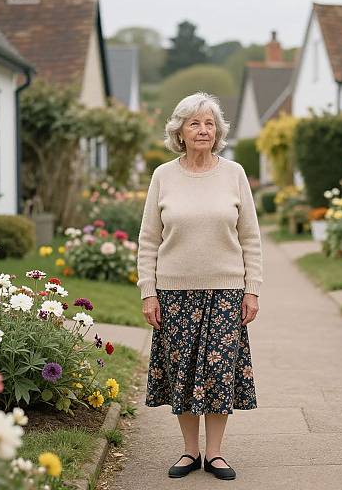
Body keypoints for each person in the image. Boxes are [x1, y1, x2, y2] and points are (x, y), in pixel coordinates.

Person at [136, 91, 263, 481]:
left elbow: (251, 239)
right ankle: (190, 452)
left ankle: (216, 453)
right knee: (183, 372)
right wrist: (148, 291)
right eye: (195, 123)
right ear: (180, 131)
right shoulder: (163, 176)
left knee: (220, 371)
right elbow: (148, 240)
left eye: (210, 124)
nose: (203, 130)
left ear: (218, 131)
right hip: (174, 294)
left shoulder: (234, 174)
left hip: (225, 293)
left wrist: (252, 288)